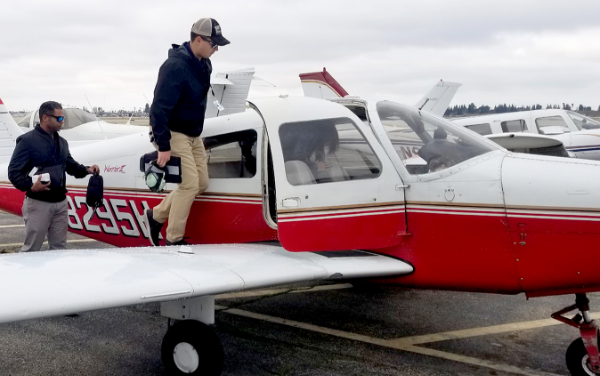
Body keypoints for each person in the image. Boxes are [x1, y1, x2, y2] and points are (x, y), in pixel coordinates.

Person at [144, 18, 230, 246]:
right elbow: (159, 108)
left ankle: (156, 215)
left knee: (201, 183)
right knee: (189, 184)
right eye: (214, 44)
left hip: (192, 133)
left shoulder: (204, 64)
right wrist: (163, 145)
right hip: (172, 131)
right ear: (198, 39)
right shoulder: (174, 67)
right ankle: (173, 239)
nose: (216, 49)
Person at [8, 101, 100, 252]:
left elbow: (71, 166)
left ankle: (54, 276)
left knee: (59, 248)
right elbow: (14, 172)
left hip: (60, 203)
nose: (62, 121)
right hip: (38, 203)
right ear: (45, 117)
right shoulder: (27, 141)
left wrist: (87, 170)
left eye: (63, 118)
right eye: (58, 118)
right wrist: (30, 186)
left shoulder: (62, 142)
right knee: (32, 247)